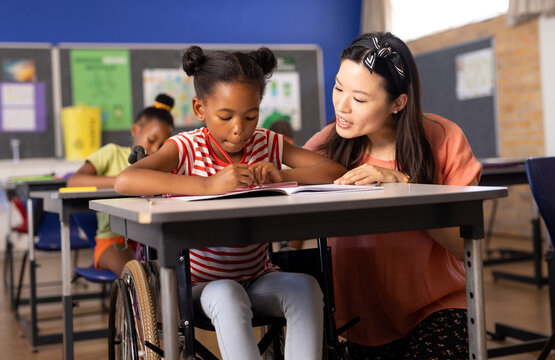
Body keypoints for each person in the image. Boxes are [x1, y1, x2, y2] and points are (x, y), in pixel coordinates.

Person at [115, 46, 346, 360]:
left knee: (306, 289)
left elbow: (335, 171)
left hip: (258, 277)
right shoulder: (186, 148)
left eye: (251, 116)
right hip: (201, 286)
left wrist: (281, 174)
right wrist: (207, 184)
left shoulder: (268, 143)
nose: (240, 128)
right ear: (200, 108)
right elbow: (126, 180)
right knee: (227, 292)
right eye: (226, 117)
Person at [304, 32, 482, 359]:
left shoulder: (443, 138)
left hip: (435, 309)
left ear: (398, 102)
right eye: (338, 88)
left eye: (359, 99)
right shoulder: (327, 144)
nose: (341, 106)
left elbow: (466, 246)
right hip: (353, 322)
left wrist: (404, 188)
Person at [67, 94, 174, 276]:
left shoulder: (162, 164)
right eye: (151, 140)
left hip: (150, 237)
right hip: (113, 241)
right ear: (135, 130)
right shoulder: (112, 153)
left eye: (163, 145)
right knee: (138, 275)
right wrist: (124, 181)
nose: (155, 149)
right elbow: (74, 182)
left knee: (173, 270)